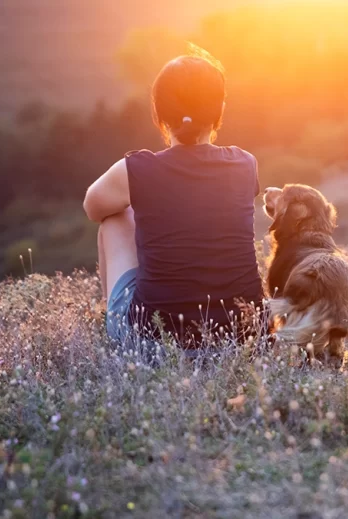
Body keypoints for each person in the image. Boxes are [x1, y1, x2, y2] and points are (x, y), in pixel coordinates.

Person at [83, 47, 264, 350]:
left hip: (154, 342)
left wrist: (144, 197)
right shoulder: (245, 164)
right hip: (244, 335)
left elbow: (93, 206)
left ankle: (112, 322)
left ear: (159, 113)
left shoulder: (138, 168)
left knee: (114, 219)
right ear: (219, 109)